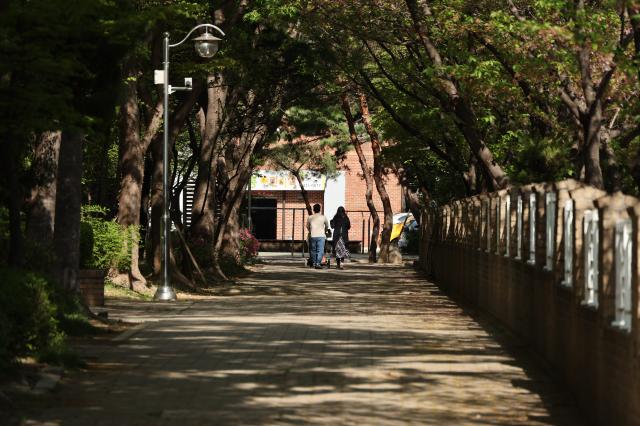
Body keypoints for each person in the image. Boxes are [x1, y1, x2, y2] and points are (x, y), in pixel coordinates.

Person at [306, 203, 330, 269]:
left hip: (313, 235)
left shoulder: (310, 217)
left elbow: (307, 226)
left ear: (313, 210)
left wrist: (310, 231)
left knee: (313, 250)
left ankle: (313, 263)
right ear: (320, 209)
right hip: (321, 236)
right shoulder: (323, 217)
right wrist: (325, 231)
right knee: (320, 250)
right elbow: (327, 226)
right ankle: (318, 263)